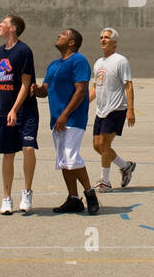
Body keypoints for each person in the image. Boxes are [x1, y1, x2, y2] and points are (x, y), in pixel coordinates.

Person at [33, 28, 98, 215]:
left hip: (73, 118)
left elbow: (81, 91)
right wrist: (35, 89)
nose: (58, 35)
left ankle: (90, 193)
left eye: (63, 34)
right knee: (63, 161)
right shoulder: (53, 65)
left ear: (71, 42)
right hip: (57, 120)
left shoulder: (79, 61)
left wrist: (65, 114)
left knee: (70, 157)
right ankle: (73, 199)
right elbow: (44, 91)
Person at [0, 14, 40, 215]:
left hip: (25, 110)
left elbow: (26, 84)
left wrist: (15, 109)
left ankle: (27, 192)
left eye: (3, 23)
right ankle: (6, 198)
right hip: (3, 111)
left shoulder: (24, 51)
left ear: (13, 28)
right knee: (8, 154)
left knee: (28, 149)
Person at [90, 27, 136, 192]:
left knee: (104, 143)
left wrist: (130, 110)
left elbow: (128, 85)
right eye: (101, 37)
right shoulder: (98, 63)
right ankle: (125, 166)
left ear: (114, 42)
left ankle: (105, 182)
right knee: (97, 146)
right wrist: (82, 103)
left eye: (107, 38)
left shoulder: (120, 60)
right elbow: (95, 87)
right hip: (100, 110)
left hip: (116, 109)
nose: (103, 40)